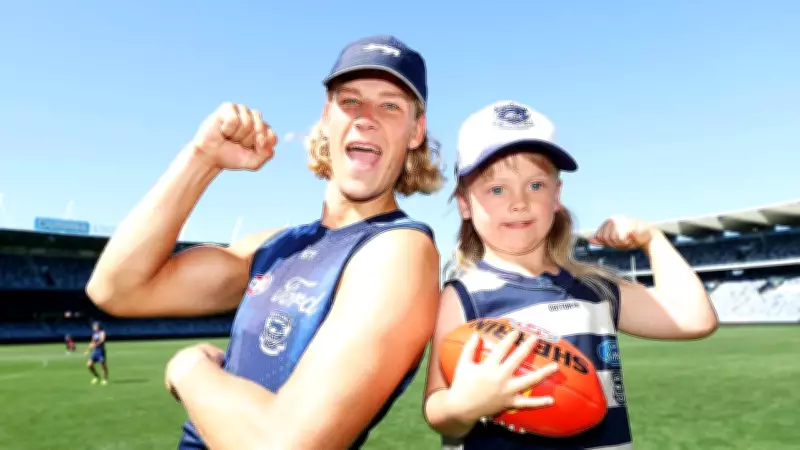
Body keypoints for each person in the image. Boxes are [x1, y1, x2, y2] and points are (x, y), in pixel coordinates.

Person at [86, 35, 444, 450]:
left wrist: (189, 369)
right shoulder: (275, 246)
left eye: (389, 105)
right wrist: (202, 157)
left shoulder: (398, 250)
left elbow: (283, 445)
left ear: (415, 131)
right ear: (327, 117)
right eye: (350, 101)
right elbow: (116, 288)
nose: (366, 117)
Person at [422, 100, 719, 449]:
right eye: (497, 189)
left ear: (557, 195)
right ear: (465, 203)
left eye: (535, 185)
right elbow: (438, 407)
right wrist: (465, 406)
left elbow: (695, 319)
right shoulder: (464, 295)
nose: (519, 202)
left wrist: (653, 241)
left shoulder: (595, 287)